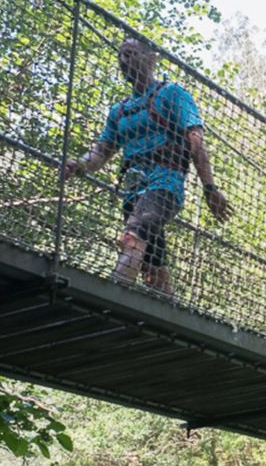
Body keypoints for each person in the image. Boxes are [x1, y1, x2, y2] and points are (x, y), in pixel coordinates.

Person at [62, 37, 231, 291]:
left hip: (164, 186)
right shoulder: (118, 111)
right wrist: (80, 165)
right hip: (133, 193)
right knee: (152, 267)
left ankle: (111, 298)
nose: (123, 60)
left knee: (132, 239)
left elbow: (196, 141)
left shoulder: (172, 94)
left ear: (151, 58)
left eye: (131, 54)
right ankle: (172, 317)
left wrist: (210, 190)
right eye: (121, 55)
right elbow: (101, 153)